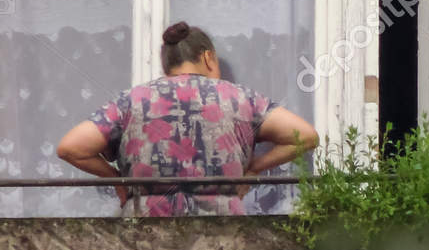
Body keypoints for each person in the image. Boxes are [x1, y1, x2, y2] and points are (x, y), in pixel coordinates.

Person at [56, 21, 318, 216]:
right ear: (208, 57)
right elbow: (305, 136)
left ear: (166, 66)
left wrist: (116, 179)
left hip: (146, 232)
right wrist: (254, 170)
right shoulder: (242, 99)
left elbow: (71, 148)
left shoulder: (132, 100)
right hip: (224, 234)